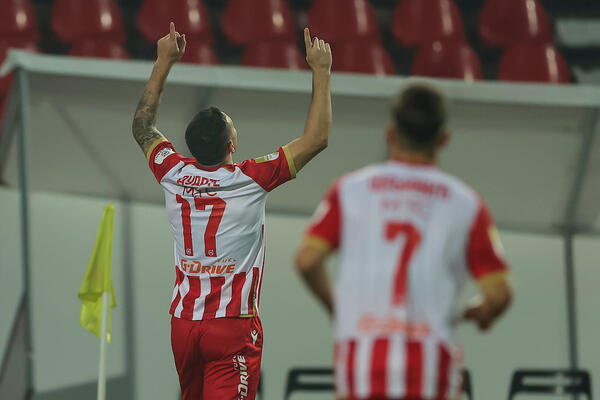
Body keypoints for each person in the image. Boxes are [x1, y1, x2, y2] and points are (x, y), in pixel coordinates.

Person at [131, 22, 332, 400]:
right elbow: (317, 138)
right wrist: (321, 71)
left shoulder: (172, 172)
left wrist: (163, 61)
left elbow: (143, 126)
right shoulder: (251, 178)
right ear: (231, 145)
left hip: (183, 324)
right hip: (231, 327)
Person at [295, 84, 512, 400]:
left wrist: (339, 309)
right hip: (431, 363)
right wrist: (482, 311)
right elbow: (499, 293)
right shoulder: (465, 204)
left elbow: (307, 260)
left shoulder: (351, 190)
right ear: (443, 139)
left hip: (362, 356)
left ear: (391, 135)